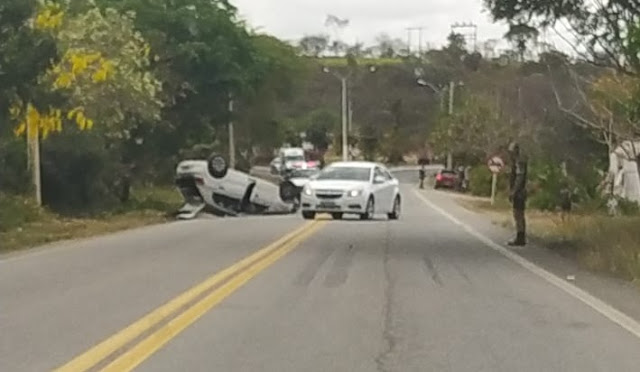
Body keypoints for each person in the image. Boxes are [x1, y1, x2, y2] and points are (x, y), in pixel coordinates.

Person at [508, 142, 528, 246]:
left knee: (518, 214)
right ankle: (520, 235)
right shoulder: (516, 161)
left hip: (519, 192)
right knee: (517, 214)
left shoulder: (519, 162)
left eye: (511, 151)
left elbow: (520, 177)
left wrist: (514, 191)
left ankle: (521, 237)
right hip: (519, 191)